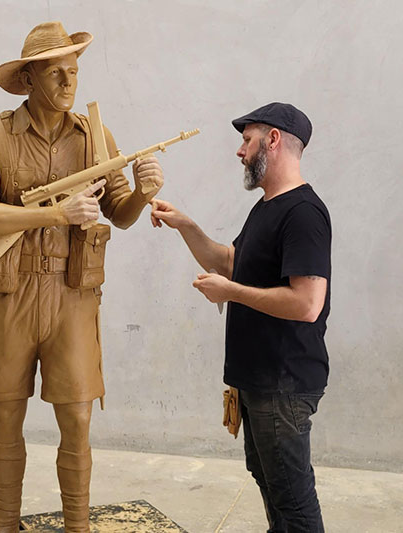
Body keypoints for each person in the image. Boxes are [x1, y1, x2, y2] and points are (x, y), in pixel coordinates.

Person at [0, 21, 164, 532]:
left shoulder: (95, 137)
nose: (68, 83)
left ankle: (78, 526)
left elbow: (119, 211)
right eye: (55, 73)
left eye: (73, 72)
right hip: (10, 295)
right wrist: (56, 214)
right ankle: (5, 523)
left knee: (76, 420)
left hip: (73, 294)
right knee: (7, 421)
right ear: (28, 79)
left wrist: (142, 191)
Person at [151, 102, 330, 532]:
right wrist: (186, 226)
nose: (240, 151)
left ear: (273, 140)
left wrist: (231, 294)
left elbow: (308, 303)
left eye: (247, 140)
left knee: (292, 498)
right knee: (271, 484)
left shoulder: (303, 213)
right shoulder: (267, 208)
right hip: (259, 381)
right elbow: (232, 263)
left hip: (283, 382)